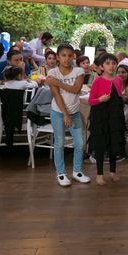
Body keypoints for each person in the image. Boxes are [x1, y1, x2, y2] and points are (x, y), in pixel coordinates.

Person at [46, 44, 89, 187]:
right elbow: (56, 95)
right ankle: (61, 173)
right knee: (60, 142)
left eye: (70, 55)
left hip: (75, 113)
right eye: (63, 55)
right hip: (58, 112)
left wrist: (57, 83)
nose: (67, 58)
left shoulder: (79, 70)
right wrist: (65, 115)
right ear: (58, 56)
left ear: (74, 57)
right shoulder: (52, 72)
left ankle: (77, 171)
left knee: (79, 143)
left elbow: (76, 90)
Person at [87, 53, 125, 186]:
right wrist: (100, 99)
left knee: (113, 143)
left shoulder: (118, 80)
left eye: (113, 63)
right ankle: (99, 174)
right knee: (100, 145)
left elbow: (119, 98)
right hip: (100, 116)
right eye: (108, 63)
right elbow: (90, 101)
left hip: (114, 116)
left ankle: (113, 172)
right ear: (101, 66)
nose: (111, 66)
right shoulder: (97, 80)